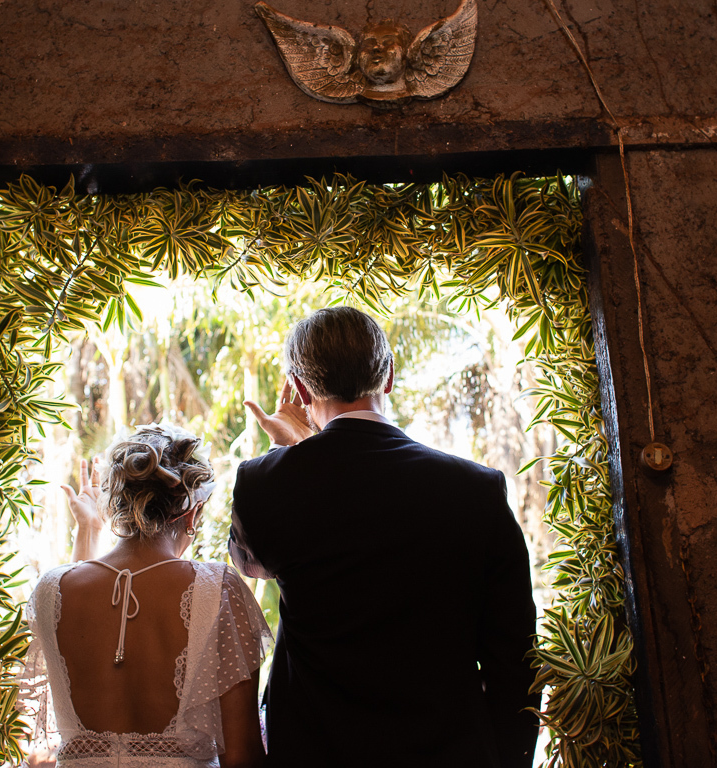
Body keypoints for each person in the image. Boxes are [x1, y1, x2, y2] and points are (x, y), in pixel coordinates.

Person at [229, 306, 539, 768]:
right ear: (389, 375)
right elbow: (515, 659)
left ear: (298, 387)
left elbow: (249, 563)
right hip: (448, 753)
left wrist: (292, 453)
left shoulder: (263, 484)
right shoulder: (475, 490)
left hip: (316, 753)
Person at [25, 423, 272, 768]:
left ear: (115, 502)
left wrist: (89, 531)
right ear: (192, 513)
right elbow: (242, 755)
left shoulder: (50, 591)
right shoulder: (218, 591)